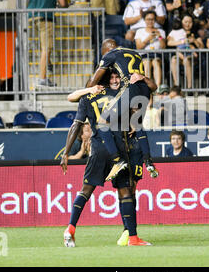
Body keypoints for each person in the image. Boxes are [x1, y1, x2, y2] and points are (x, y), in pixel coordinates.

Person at [61, 75, 151, 247]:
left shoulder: (87, 98)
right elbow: (136, 113)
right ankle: (133, 238)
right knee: (125, 191)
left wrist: (66, 152)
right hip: (118, 148)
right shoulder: (120, 94)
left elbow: (76, 124)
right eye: (114, 77)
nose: (115, 80)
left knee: (85, 191)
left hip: (98, 149)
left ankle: (70, 228)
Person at [87, 39, 159, 181]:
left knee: (103, 122)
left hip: (130, 89)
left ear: (106, 49)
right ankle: (149, 161)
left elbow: (93, 81)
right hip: (144, 90)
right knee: (136, 125)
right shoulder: (135, 53)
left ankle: (117, 160)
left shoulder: (110, 55)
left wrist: (89, 89)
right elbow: (149, 84)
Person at [13, 0, 68, 87]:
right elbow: (63, 3)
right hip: (46, 19)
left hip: (31, 17)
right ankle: (42, 79)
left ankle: (47, 64)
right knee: (46, 48)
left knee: (44, 46)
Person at [167, 13, 204, 94]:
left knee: (186, 60)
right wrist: (182, 41)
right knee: (173, 59)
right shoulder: (177, 32)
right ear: (182, 22)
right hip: (179, 55)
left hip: (192, 57)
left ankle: (190, 87)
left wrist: (194, 40)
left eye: (190, 22)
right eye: (185, 22)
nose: (187, 24)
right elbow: (169, 42)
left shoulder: (195, 33)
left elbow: (201, 47)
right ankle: (177, 85)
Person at [134, 10, 166, 87]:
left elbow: (164, 47)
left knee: (156, 62)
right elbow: (138, 47)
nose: (150, 21)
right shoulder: (139, 31)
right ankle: (148, 87)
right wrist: (147, 39)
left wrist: (160, 37)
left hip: (157, 55)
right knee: (147, 62)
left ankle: (157, 87)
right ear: (144, 20)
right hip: (145, 55)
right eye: (148, 19)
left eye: (152, 19)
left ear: (155, 20)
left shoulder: (161, 31)